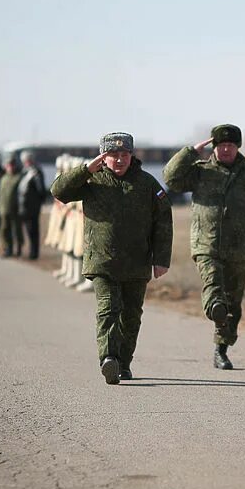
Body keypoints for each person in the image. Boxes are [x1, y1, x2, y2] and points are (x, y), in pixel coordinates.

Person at [51, 133, 173, 384]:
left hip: (137, 263)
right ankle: (108, 359)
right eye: (113, 155)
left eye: (124, 155)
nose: (119, 160)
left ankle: (123, 363)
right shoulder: (92, 181)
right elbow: (58, 191)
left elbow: (163, 222)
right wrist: (85, 169)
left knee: (131, 315)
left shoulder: (147, 184)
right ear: (103, 157)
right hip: (102, 261)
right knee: (108, 310)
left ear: (132, 155)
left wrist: (161, 259)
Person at [163, 124, 245, 370]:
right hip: (206, 244)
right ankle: (214, 306)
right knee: (214, 287)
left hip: (239, 248)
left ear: (238, 148)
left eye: (231, 146)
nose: (226, 150)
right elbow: (170, 177)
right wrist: (190, 152)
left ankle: (221, 349)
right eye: (222, 145)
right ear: (214, 147)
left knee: (233, 303)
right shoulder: (200, 172)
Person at [18, 150, 46, 260]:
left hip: (32, 207)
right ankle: (31, 251)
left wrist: (39, 201)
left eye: (27, 160)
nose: (26, 162)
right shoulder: (24, 172)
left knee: (33, 230)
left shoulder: (36, 172)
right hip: (24, 206)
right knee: (28, 230)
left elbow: (40, 190)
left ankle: (34, 253)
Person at [0, 158, 23, 258]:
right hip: (4, 209)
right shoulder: (3, 178)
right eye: (8, 165)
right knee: (4, 230)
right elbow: (0, 194)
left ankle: (19, 248)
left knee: (16, 230)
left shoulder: (18, 178)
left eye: (12, 165)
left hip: (15, 209)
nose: (10, 168)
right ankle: (7, 249)